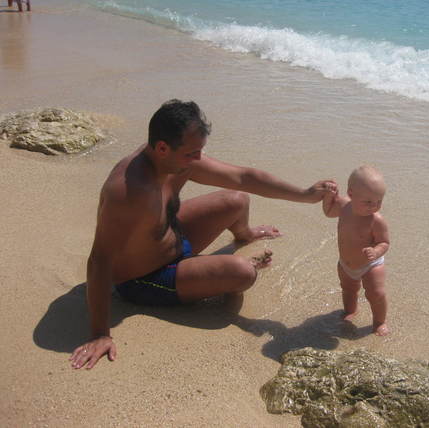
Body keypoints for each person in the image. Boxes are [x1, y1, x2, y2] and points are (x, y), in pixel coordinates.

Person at [69, 100, 336, 370]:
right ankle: (218, 271)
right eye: (192, 153)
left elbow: (243, 177)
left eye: (200, 150)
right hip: (145, 278)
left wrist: (305, 195)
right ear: (162, 148)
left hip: (170, 236)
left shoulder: (173, 160)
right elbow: (100, 260)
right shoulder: (128, 193)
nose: (198, 160)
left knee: (237, 199)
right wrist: (100, 333)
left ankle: (243, 236)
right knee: (243, 273)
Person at [322, 166, 390, 336]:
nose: (374, 206)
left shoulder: (376, 220)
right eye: (368, 202)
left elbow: (384, 242)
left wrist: (376, 252)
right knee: (348, 289)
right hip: (346, 264)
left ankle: (379, 322)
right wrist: (328, 197)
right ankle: (350, 311)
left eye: (379, 201)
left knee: (376, 294)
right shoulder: (343, 206)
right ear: (351, 194)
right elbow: (328, 211)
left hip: (371, 264)